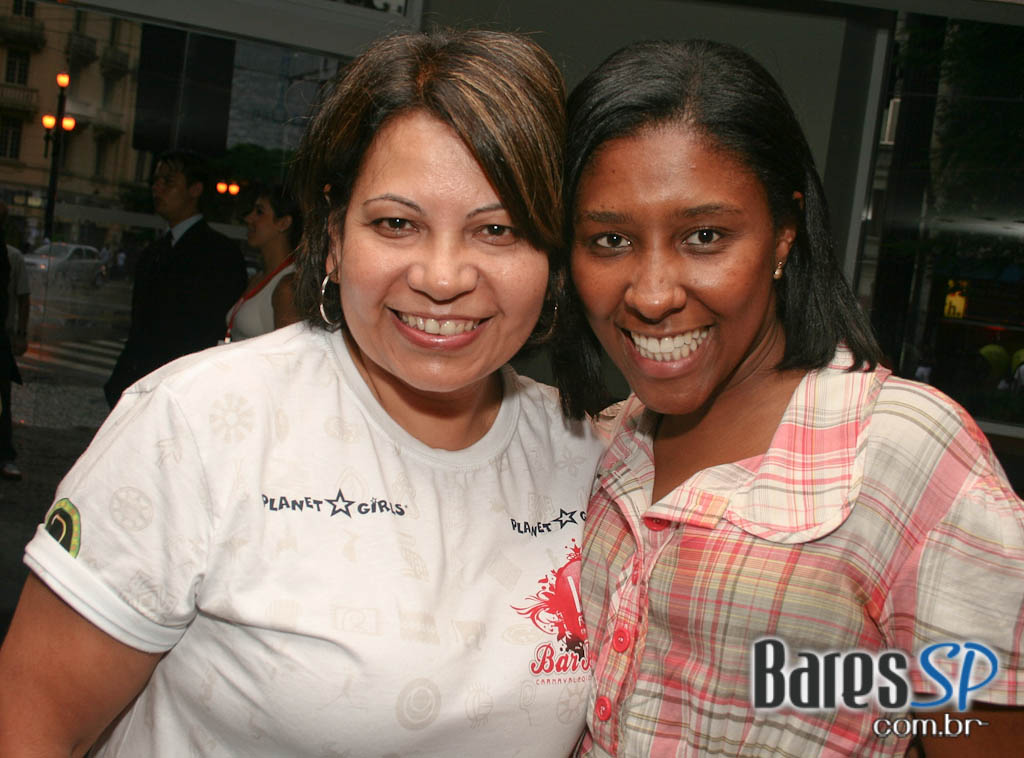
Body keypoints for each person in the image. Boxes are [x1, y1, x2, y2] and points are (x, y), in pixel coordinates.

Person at [0, 29, 603, 756]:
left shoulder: (586, 456)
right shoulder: (198, 426)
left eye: (498, 229)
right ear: (336, 233)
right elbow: (31, 721)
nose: (443, 278)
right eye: (396, 223)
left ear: (552, 255)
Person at [555, 39, 1024, 757]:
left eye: (704, 236)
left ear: (783, 232)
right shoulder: (604, 441)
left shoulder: (903, 456)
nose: (651, 294)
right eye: (610, 239)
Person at [103, 149, 248, 407]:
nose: (157, 188)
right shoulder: (155, 251)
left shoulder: (218, 253)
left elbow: (205, 329)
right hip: (141, 383)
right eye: (156, 181)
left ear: (195, 190)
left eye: (168, 182)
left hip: (180, 389)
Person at [223, 183, 302, 341]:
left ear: (284, 223)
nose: (249, 218)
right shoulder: (258, 277)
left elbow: (288, 355)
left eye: (259, 212)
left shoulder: (288, 285)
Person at [1, 238, 30, 481]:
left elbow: (23, 296)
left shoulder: (12, 257)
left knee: (2, 399)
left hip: (3, 335)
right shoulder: (11, 256)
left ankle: (5, 454)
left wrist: (21, 332)